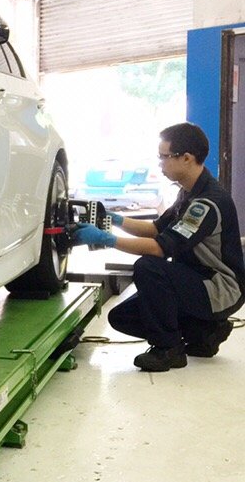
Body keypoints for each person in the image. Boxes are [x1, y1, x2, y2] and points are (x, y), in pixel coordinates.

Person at [73, 122, 245, 372]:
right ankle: (204, 331)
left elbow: (159, 248)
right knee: (122, 317)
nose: (160, 164)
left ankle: (169, 350)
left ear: (186, 158)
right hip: (196, 278)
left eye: (164, 157)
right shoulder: (189, 193)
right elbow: (156, 229)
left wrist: (106, 239)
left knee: (149, 267)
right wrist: (114, 219)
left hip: (220, 287)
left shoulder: (206, 203)